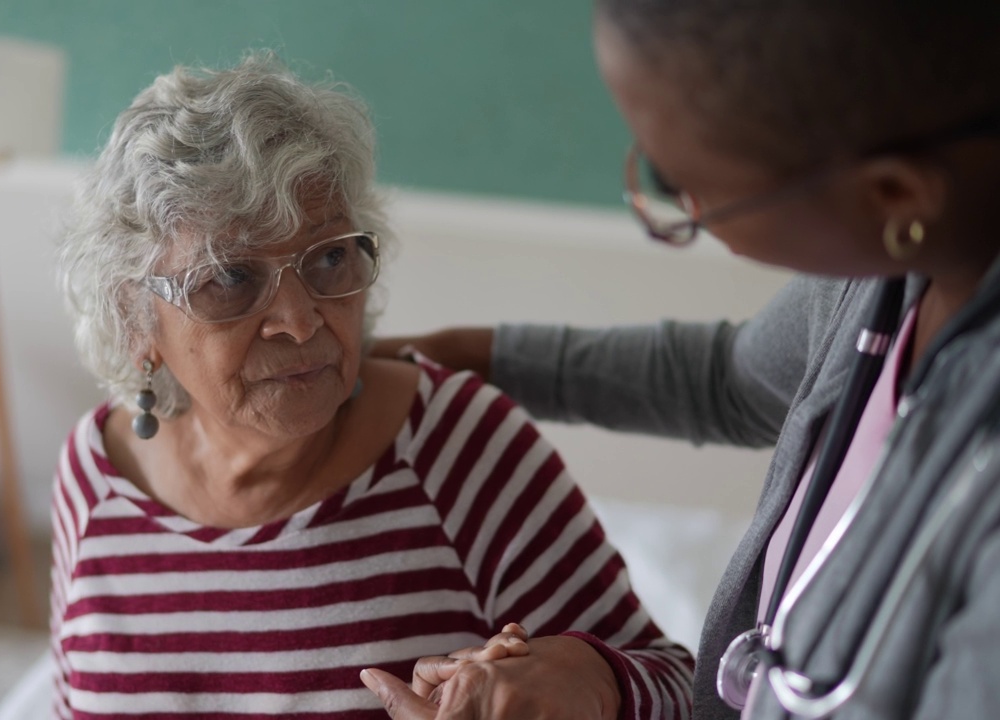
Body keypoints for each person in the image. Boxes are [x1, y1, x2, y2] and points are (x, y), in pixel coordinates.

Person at [360, 2, 1000, 719]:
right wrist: (463, 355)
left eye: (673, 185)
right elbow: (728, 380)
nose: (669, 201)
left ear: (894, 195)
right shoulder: (887, 275)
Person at [50, 52, 692, 719]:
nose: (301, 321)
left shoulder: (461, 447)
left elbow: (682, 693)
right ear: (135, 318)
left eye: (329, 257)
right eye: (231, 278)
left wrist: (591, 684)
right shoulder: (93, 477)